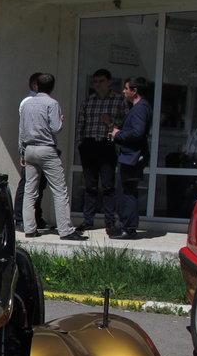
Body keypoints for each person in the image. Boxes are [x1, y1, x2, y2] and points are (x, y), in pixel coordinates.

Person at [19, 73, 85, 241]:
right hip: (46, 149)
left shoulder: (26, 104)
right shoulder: (52, 103)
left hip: (29, 149)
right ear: (52, 87)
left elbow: (22, 129)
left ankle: (29, 228)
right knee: (59, 190)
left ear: (36, 86)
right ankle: (65, 230)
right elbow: (56, 128)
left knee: (30, 190)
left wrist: (21, 151)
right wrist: (60, 120)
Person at [75, 68, 125, 231]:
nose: (98, 84)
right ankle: (88, 220)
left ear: (109, 82)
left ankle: (109, 221)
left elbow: (124, 125)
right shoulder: (88, 101)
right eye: (95, 82)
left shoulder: (119, 100)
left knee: (108, 185)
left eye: (101, 81)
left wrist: (110, 123)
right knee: (90, 185)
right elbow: (80, 125)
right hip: (89, 145)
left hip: (107, 145)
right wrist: (80, 144)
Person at [109, 77, 152, 239]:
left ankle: (128, 227)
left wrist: (118, 134)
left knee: (127, 192)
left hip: (132, 157)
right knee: (125, 191)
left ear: (135, 91)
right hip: (129, 156)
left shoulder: (141, 108)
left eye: (126, 88)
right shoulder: (139, 107)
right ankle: (126, 226)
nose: (124, 91)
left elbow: (137, 132)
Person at [14, 73, 48, 231]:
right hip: (31, 147)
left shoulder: (39, 102)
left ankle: (36, 216)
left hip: (38, 148)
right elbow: (24, 128)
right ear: (35, 86)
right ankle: (19, 218)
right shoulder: (28, 102)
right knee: (28, 184)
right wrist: (22, 151)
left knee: (39, 185)